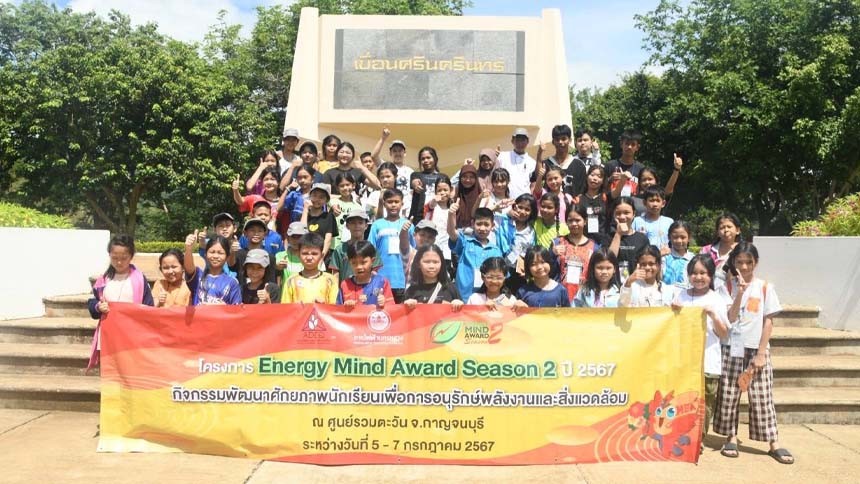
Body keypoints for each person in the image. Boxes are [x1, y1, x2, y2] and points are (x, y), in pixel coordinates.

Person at [714, 242, 793, 464]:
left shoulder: (765, 287)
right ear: (733, 263)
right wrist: (739, 292)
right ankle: (731, 437)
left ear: (755, 263)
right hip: (731, 347)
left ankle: (773, 442)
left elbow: (768, 321)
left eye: (748, 262)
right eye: (739, 262)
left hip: (757, 349)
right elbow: (729, 318)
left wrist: (761, 353)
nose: (744, 266)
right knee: (729, 395)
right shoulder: (726, 287)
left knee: (762, 397)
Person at [671, 254, 729, 443]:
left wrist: (713, 315)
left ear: (711, 275)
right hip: (683, 360)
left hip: (708, 361)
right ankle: (681, 435)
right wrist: (673, 311)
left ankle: (698, 440)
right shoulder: (680, 296)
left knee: (705, 402)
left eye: (703, 273)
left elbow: (723, 333)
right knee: (682, 399)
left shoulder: (716, 300)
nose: (698, 277)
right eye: (694, 273)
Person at [86, 235, 154, 371]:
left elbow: (149, 307)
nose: (119, 262)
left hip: (131, 336)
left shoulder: (140, 280)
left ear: (131, 256)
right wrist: (98, 307)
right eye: (114, 258)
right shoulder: (103, 280)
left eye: (124, 258)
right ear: (109, 255)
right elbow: (93, 302)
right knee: (110, 373)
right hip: (108, 336)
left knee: (130, 372)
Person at [448, 205, 505, 302]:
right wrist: (450, 215)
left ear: (492, 226)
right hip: (463, 296)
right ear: (472, 224)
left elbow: (501, 275)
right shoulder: (465, 242)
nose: (482, 228)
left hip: (486, 299)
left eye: (486, 225)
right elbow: (452, 233)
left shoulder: (496, 251)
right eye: (479, 224)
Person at [368, 189, 412, 303]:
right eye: (389, 202)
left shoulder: (408, 225)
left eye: (396, 202)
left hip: (401, 279)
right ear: (384, 203)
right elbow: (370, 250)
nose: (393, 205)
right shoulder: (377, 225)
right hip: (380, 278)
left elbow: (415, 249)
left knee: (399, 311)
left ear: (402, 203)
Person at [554, 204, 598, 303]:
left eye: (578, 220)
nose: (574, 224)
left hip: (585, 297)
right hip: (561, 296)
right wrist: (553, 254)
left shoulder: (594, 247)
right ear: (566, 221)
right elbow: (551, 270)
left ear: (585, 221)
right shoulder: (558, 243)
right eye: (570, 220)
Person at [184, 233, 241, 306]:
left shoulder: (232, 283)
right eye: (212, 252)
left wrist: (224, 307)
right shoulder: (198, 276)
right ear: (205, 254)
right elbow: (188, 268)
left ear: (227, 257)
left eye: (220, 253)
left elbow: (237, 309)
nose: (215, 256)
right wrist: (188, 248)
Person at [282, 233, 340, 303]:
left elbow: (335, 307)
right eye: (305, 253)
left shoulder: (330, 280)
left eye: (314, 254)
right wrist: (296, 307)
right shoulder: (291, 281)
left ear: (322, 256)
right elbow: (285, 307)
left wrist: (324, 305)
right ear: (298, 255)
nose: (309, 257)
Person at [496, 193, 537, 294]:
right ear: (514, 206)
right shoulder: (505, 223)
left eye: (527, 209)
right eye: (520, 207)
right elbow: (486, 215)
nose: (522, 212)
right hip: (501, 269)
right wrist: (507, 214)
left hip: (520, 272)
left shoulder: (531, 231)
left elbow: (530, 253)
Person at [329, 208, 381, 284]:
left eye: (360, 223)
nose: (357, 226)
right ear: (347, 226)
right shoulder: (340, 249)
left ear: (366, 226)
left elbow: (374, 273)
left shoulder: (371, 249)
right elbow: (335, 275)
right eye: (353, 223)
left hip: (366, 289)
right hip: (345, 289)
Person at [403, 244, 464, 309]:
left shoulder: (450, 288)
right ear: (418, 264)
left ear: (442, 263)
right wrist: (407, 306)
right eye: (427, 262)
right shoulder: (411, 291)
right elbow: (401, 314)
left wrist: (458, 304)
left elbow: (463, 314)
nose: (431, 266)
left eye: (435, 262)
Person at [533, 124, 586, 197]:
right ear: (553, 142)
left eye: (564, 139)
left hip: (572, 203)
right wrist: (539, 154)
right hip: (550, 203)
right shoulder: (546, 163)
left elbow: (582, 191)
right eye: (557, 139)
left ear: (570, 140)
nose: (560, 142)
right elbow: (537, 178)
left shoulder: (579, 165)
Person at [371, 128, 413, 218]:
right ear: (390, 153)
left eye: (400, 150)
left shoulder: (410, 171)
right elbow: (374, 156)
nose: (397, 153)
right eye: (394, 151)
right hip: (388, 208)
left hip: (405, 210)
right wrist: (383, 138)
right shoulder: (386, 167)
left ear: (405, 153)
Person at [607, 197, 649, 283]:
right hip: (613, 284)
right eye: (618, 213)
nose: (622, 217)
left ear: (634, 214)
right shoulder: (608, 237)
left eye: (626, 213)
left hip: (637, 284)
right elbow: (609, 260)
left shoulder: (642, 239)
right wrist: (618, 234)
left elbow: (647, 262)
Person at [340, 240, 393, 308]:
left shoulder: (382, 282)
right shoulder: (345, 285)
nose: (359, 267)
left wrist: (384, 303)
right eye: (354, 263)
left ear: (372, 261)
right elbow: (337, 310)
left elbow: (392, 309)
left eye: (363, 262)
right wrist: (345, 307)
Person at [421, 175, 454, 274]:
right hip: (432, 246)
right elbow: (429, 207)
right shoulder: (432, 206)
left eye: (445, 190)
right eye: (439, 190)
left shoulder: (452, 208)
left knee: (446, 274)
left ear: (451, 190)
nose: (442, 193)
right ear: (435, 192)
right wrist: (434, 201)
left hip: (447, 248)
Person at [700, 213, 743, 286]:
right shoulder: (706, 251)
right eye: (722, 228)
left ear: (737, 230)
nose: (726, 230)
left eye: (729, 227)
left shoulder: (742, 251)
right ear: (717, 232)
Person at [232, 218, 278, 285]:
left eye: (260, 231)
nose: (256, 233)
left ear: (265, 234)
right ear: (245, 233)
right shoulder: (239, 254)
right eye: (252, 230)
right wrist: (232, 252)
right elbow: (231, 267)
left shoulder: (269, 257)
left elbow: (271, 282)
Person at [573, 165, 611, 246]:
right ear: (587, 177)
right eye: (592, 175)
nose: (595, 178)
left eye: (599, 176)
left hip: (602, 242)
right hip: (583, 241)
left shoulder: (605, 197)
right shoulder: (578, 199)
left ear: (603, 180)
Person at [632, 185, 674, 253]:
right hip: (643, 257)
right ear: (644, 203)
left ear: (663, 203)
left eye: (658, 201)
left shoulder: (669, 222)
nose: (655, 204)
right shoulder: (636, 221)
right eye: (651, 201)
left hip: (664, 258)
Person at [497, 127, 537, 198]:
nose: (520, 143)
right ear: (512, 141)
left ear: (527, 141)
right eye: (517, 140)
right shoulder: (502, 156)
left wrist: (530, 197)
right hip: (505, 199)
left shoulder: (532, 162)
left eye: (523, 140)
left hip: (524, 201)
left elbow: (533, 183)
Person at [301, 183, 338, 258]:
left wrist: (321, 257)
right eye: (314, 195)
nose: (317, 199)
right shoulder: (304, 215)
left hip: (323, 255)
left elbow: (328, 240)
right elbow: (301, 231)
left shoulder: (329, 216)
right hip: (306, 255)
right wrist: (305, 209)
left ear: (326, 200)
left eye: (321, 197)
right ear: (310, 196)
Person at [409, 146, 442, 223]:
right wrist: (416, 185)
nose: (426, 160)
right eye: (423, 159)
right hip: (418, 216)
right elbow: (414, 182)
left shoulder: (442, 177)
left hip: (437, 216)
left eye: (428, 158)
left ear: (435, 159)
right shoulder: (415, 174)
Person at [275, 222, 308, 299]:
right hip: (286, 299)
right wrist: (276, 267)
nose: (296, 240)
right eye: (293, 237)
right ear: (287, 237)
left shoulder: (311, 257)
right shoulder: (280, 256)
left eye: (300, 237)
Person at [401, 219, 438, 285]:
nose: (426, 239)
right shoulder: (409, 252)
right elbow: (403, 242)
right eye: (422, 235)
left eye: (430, 237)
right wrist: (404, 231)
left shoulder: (437, 258)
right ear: (414, 235)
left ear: (434, 239)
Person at [330, 172, 362, 243]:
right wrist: (332, 207)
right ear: (337, 188)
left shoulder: (358, 207)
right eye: (342, 186)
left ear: (353, 185)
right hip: (334, 244)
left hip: (352, 244)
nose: (345, 188)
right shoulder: (332, 202)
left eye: (347, 185)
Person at [662, 221, 695, 287]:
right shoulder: (664, 258)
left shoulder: (693, 259)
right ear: (669, 237)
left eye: (683, 237)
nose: (679, 241)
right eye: (675, 237)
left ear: (689, 238)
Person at [454, 164, 481, 229]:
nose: (468, 180)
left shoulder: (481, 194)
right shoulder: (455, 193)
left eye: (471, 177)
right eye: (464, 176)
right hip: (457, 231)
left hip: (478, 231)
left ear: (476, 178)